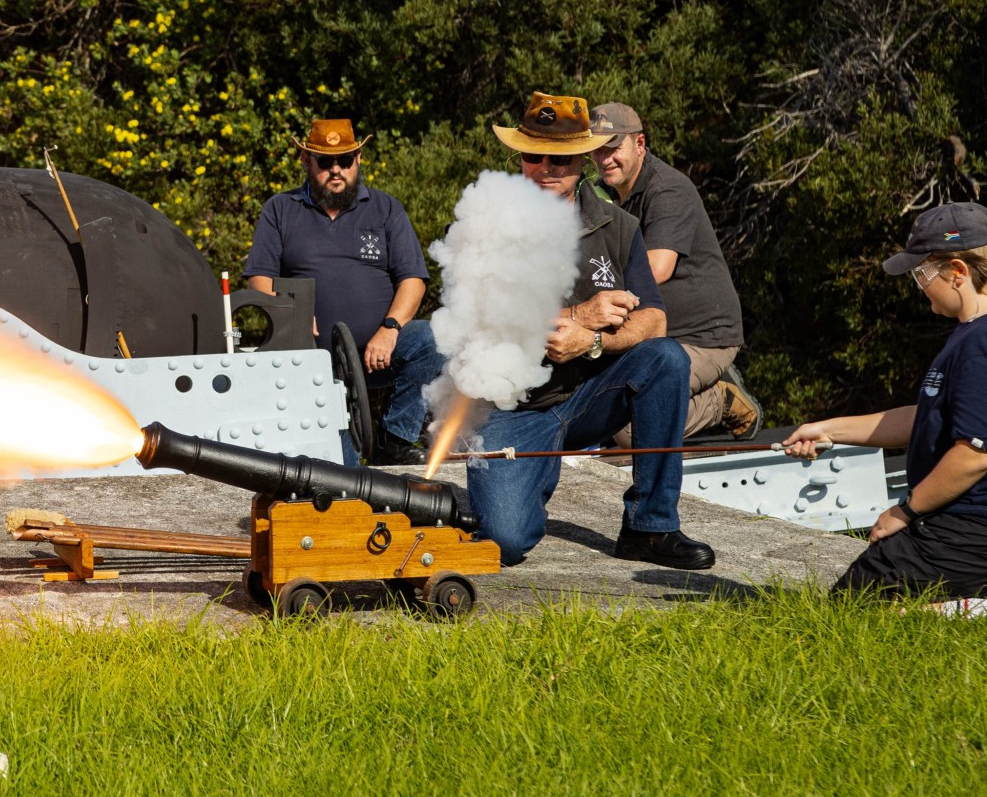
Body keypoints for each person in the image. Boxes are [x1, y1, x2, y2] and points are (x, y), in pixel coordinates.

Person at [391, 93, 714, 569]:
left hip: (591, 392)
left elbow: (655, 319)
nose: (546, 167)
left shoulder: (619, 226)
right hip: (514, 408)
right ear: (516, 158)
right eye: (533, 155)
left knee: (666, 358)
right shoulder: (483, 222)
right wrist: (580, 316)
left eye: (560, 157)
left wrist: (597, 341)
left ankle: (651, 526)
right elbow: (477, 323)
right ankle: (527, 477)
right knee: (505, 542)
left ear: (583, 159)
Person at [783, 202, 987, 599]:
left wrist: (906, 511)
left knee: (853, 605)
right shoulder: (968, 335)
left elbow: (975, 453)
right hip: (952, 521)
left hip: (967, 528)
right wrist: (828, 430)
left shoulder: (980, 344)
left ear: (958, 272)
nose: (917, 284)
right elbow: (927, 418)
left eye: (921, 273)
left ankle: (971, 608)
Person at [243, 117, 435, 464]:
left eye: (345, 160)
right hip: (312, 364)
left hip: (377, 353)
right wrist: (289, 314)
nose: (336, 169)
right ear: (306, 161)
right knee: (343, 476)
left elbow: (413, 280)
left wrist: (390, 329)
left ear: (358, 160)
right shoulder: (280, 209)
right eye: (325, 161)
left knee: (433, 340)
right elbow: (259, 278)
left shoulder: (385, 208)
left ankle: (394, 439)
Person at [589, 102, 760, 440]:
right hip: (653, 336)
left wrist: (592, 294)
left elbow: (657, 267)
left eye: (613, 148)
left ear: (639, 145)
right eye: (595, 150)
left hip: (705, 338)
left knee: (629, 429)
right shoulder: (606, 193)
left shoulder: (667, 189)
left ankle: (720, 400)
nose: (604, 158)